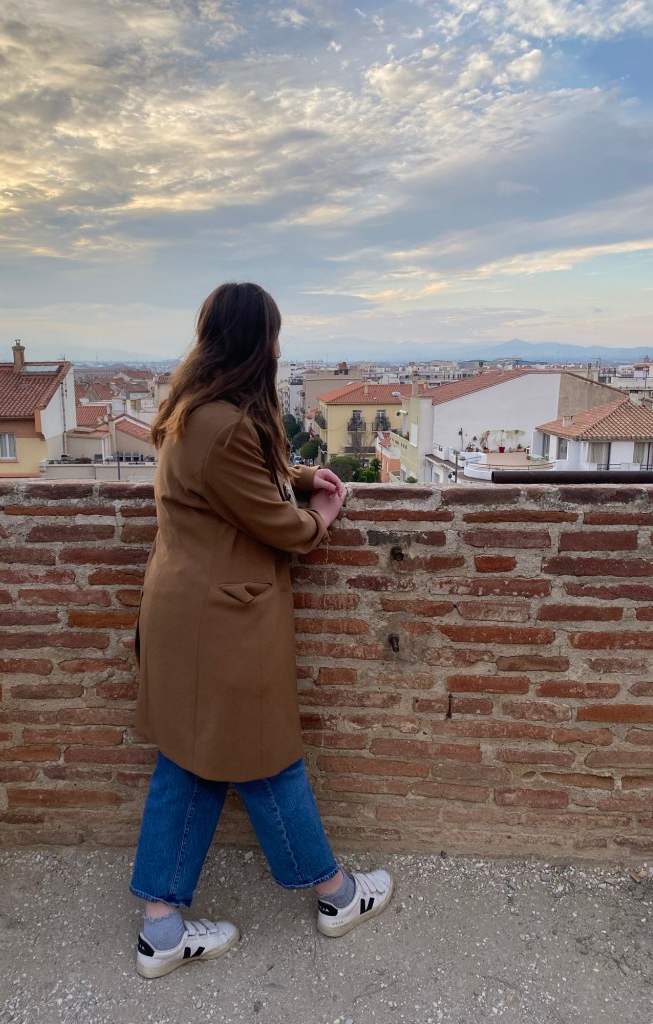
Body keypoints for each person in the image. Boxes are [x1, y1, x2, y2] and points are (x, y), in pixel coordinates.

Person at [131, 282, 393, 979]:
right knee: (266, 758)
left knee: (189, 762)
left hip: (186, 611)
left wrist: (300, 474)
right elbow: (283, 528)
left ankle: (161, 926)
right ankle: (336, 894)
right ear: (260, 343)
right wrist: (322, 513)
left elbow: (239, 479)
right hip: (221, 621)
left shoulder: (195, 409)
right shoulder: (224, 424)